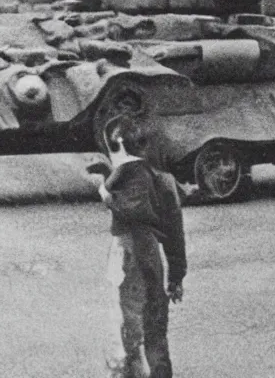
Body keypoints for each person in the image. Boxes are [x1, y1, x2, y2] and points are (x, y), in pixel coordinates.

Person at [96, 115, 186, 378]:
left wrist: (105, 193)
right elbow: (175, 234)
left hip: (129, 256)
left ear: (120, 144)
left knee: (128, 326)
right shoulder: (164, 179)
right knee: (156, 328)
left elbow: (129, 211)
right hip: (152, 258)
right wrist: (177, 276)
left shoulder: (126, 175)